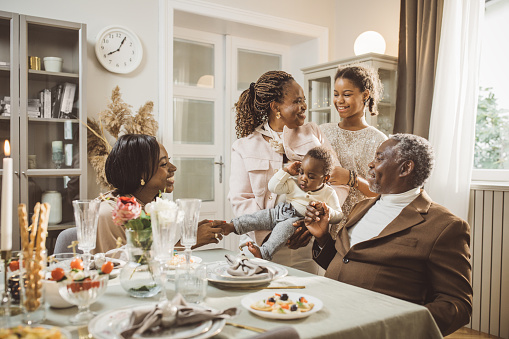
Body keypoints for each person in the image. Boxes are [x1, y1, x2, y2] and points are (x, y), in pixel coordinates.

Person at [305, 134, 472, 336]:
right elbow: (346, 262)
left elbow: (457, 305)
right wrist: (322, 237)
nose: (370, 164)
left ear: (405, 168)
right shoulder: (361, 207)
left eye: (379, 158)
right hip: (327, 317)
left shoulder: (445, 226)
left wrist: (394, 326)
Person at [228, 70, 349, 274]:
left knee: (303, 303)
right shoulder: (243, 146)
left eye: (304, 100)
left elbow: (338, 182)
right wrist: (274, 235)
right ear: (276, 107)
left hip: (305, 250)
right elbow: (241, 200)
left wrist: (310, 224)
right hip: (260, 247)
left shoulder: (314, 133)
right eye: (297, 101)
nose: (304, 106)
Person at [93, 134, 225, 254]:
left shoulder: (149, 205)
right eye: (163, 164)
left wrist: (188, 236)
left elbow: (152, 258)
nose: (173, 168)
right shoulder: (111, 214)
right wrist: (187, 243)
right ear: (140, 173)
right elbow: (129, 272)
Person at [222, 146, 343, 260]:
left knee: (282, 230)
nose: (303, 178)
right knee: (258, 217)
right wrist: (286, 171)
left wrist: (326, 211)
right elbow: (273, 187)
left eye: (311, 176)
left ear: (325, 178)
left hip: (295, 221)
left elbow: (338, 215)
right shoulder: (294, 182)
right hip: (280, 211)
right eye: (301, 172)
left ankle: (264, 252)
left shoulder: (328, 193)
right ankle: (233, 226)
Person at [320, 65, 387, 237]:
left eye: (347, 94)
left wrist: (351, 178)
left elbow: (383, 193)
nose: (339, 100)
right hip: (324, 225)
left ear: (365, 95)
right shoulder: (323, 132)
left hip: (360, 226)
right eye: (336, 94)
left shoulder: (379, 140)